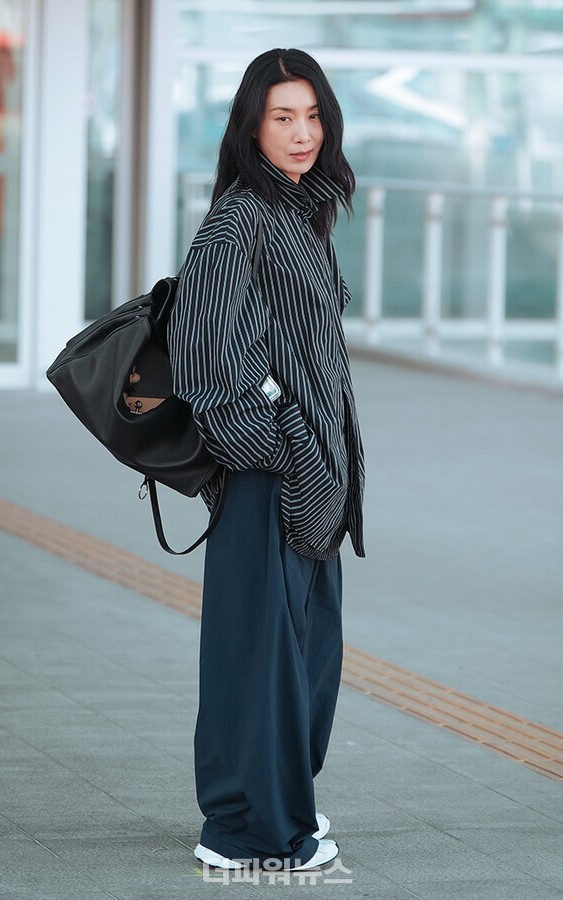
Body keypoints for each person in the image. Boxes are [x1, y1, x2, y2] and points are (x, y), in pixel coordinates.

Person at [168, 47, 365, 872]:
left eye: (313, 115)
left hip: (310, 482)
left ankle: (270, 803)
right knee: (262, 660)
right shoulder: (239, 220)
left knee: (303, 659)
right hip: (271, 483)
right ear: (251, 125)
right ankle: (248, 831)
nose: (302, 132)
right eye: (283, 116)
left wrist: (316, 463)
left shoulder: (300, 212)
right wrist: (286, 455)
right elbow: (209, 365)